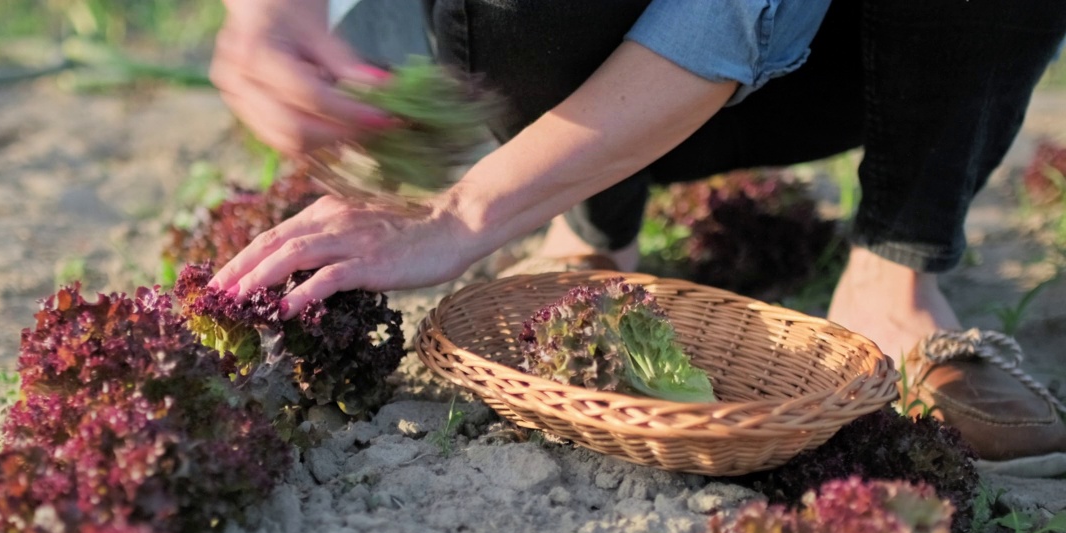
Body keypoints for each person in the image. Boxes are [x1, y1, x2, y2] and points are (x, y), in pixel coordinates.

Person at [208, 0, 1066, 460]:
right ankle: (587, 221)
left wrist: (462, 212)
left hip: (852, 51)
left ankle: (897, 271)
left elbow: (728, 15)